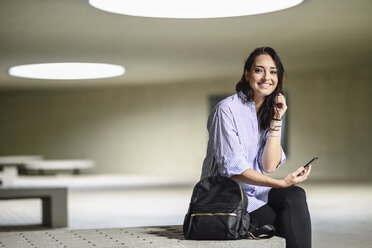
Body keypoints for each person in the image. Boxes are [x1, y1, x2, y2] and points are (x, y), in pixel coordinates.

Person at [201, 47, 312, 248]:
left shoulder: (268, 111)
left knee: (295, 195)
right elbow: (235, 171)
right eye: (259, 70)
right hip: (226, 197)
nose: (266, 77)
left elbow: (269, 165)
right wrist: (280, 183)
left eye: (273, 71)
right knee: (282, 222)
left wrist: (277, 120)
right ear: (247, 74)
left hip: (256, 191)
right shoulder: (226, 110)